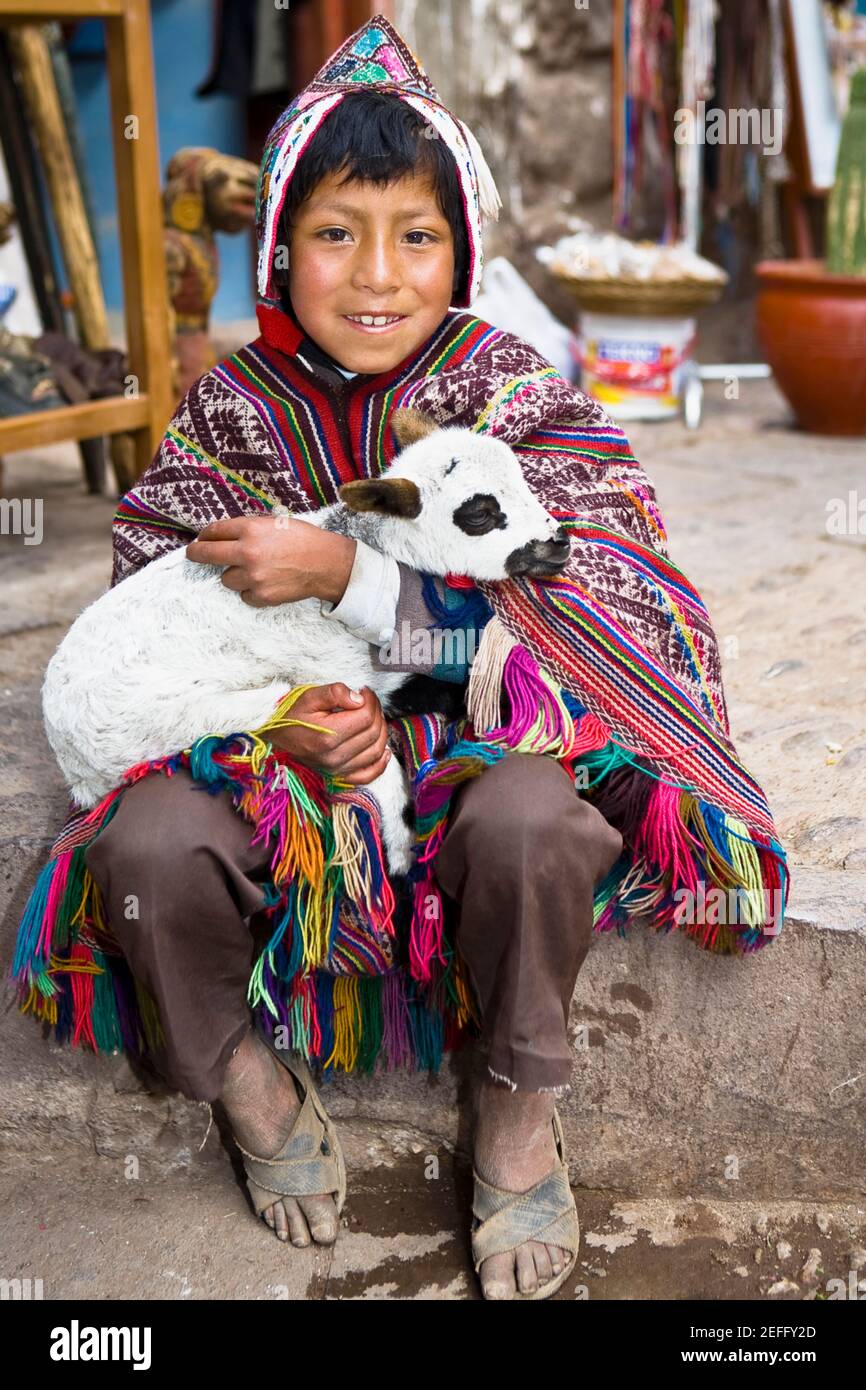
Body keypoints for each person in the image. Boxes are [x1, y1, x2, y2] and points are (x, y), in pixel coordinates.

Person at [13, 15, 787, 1303]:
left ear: (462, 249)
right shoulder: (229, 413)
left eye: (417, 236)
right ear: (279, 248)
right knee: (143, 847)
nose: (377, 276)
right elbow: (152, 625)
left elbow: (621, 616)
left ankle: (518, 1100)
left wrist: (358, 583)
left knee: (539, 822)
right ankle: (246, 1082)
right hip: (291, 762)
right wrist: (279, 727)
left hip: (477, 758)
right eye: (334, 233)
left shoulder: (517, 394)